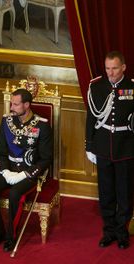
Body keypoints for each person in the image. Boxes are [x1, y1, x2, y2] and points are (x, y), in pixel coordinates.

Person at [0, 88, 52, 252]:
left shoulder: (42, 125)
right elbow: (0, 151)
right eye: (12, 103)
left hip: (29, 172)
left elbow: (46, 158)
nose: (11, 107)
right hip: (8, 168)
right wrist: (5, 171)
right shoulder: (7, 122)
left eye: (16, 104)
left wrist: (25, 174)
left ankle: (11, 237)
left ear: (26, 105)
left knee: (14, 194)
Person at [86, 51, 134, 249]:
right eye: (107, 68)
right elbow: (91, 118)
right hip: (103, 146)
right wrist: (89, 145)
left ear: (123, 67)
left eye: (114, 68)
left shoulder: (132, 87)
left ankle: (122, 233)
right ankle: (109, 231)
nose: (110, 73)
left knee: (124, 193)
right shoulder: (97, 86)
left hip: (126, 147)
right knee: (105, 193)